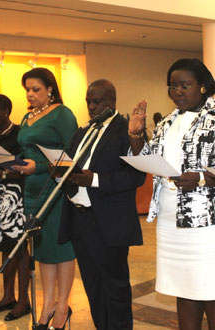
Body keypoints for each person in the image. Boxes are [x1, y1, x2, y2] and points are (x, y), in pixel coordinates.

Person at [128, 58, 215, 330]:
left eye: (184, 85)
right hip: (171, 219)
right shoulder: (166, 123)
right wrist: (136, 135)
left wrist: (202, 178)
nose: (177, 91)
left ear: (202, 85)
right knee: (184, 287)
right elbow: (149, 160)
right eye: (172, 86)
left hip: (214, 220)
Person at [58, 79, 146, 330]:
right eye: (88, 102)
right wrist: (62, 171)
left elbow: (136, 176)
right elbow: (71, 163)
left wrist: (94, 179)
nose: (91, 107)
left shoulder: (126, 130)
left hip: (108, 222)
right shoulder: (83, 130)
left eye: (96, 101)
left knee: (114, 288)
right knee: (93, 285)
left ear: (111, 101)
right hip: (79, 218)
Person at [12, 68, 77, 330]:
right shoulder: (28, 116)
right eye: (27, 89)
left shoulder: (62, 114)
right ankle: (48, 303)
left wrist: (36, 167)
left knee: (61, 249)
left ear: (50, 89)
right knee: (42, 250)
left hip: (55, 188)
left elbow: (70, 156)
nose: (30, 94)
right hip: (30, 190)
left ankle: (62, 306)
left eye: (35, 89)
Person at [0, 94, 31, 321]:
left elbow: (24, 167)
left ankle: (23, 300)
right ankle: (7, 296)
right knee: (3, 245)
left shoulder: (20, 134)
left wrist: (1, 172)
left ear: (6, 112)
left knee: (19, 247)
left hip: (14, 196)